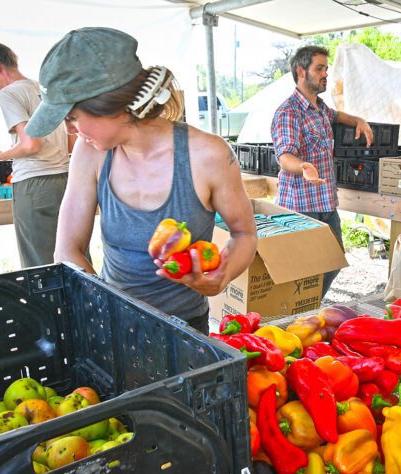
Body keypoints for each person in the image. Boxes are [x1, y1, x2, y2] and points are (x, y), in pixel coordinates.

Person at [24, 27, 257, 334]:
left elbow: (244, 234)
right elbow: (67, 250)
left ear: (110, 105)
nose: (70, 129)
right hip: (113, 323)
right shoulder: (89, 153)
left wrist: (221, 277)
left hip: (186, 329)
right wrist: (112, 311)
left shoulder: (208, 155)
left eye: (72, 117)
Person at [271, 45, 374, 298]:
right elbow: (285, 156)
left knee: (334, 259)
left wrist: (358, 120)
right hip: (301, 206)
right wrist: (303, 166)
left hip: (326, 202)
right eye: (319, 68)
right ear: (301, 71)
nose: (325, 73)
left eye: (326, 68)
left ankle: (309, 304)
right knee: (301, 270)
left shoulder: (319, 108)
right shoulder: (289, 112)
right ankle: (296, 311)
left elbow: (337, 115)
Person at [0, 34, 74, 267]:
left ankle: (48, 306)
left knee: (40, 264)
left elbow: (31, 144)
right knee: (73, 257)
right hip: (65, 181)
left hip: (34, 184)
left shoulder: (10, 93)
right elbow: (71, 142)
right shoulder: (45, 89)